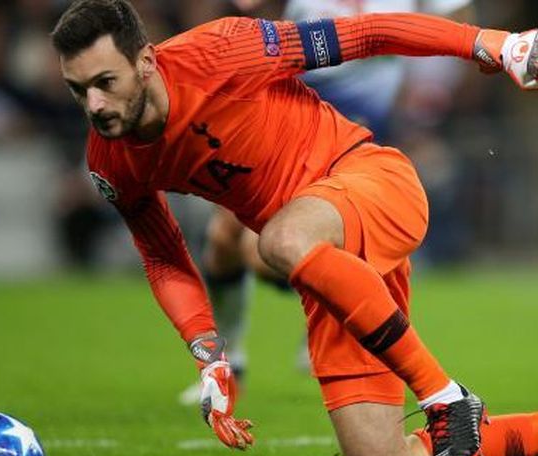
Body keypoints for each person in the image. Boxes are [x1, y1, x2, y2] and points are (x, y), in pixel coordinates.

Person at [51, 1, 538, 456]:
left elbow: (369, 33)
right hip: (328, 266)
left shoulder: (223, 50)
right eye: (79, 91)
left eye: (106, 83)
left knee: (279, 238)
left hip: (369, 182)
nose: (95, 106)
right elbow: (162, 256)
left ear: (146, 62)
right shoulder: (110, 160)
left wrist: (494, 44)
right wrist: (208, 354)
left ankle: (445, 396)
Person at [175, 0, 476, 407]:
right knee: (225, 239)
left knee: (274, 248)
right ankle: (228, 367)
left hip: (358, 133)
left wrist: (425, 96)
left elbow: (458, 18)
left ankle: (329, 312)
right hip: (286, 121)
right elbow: (247, 18)